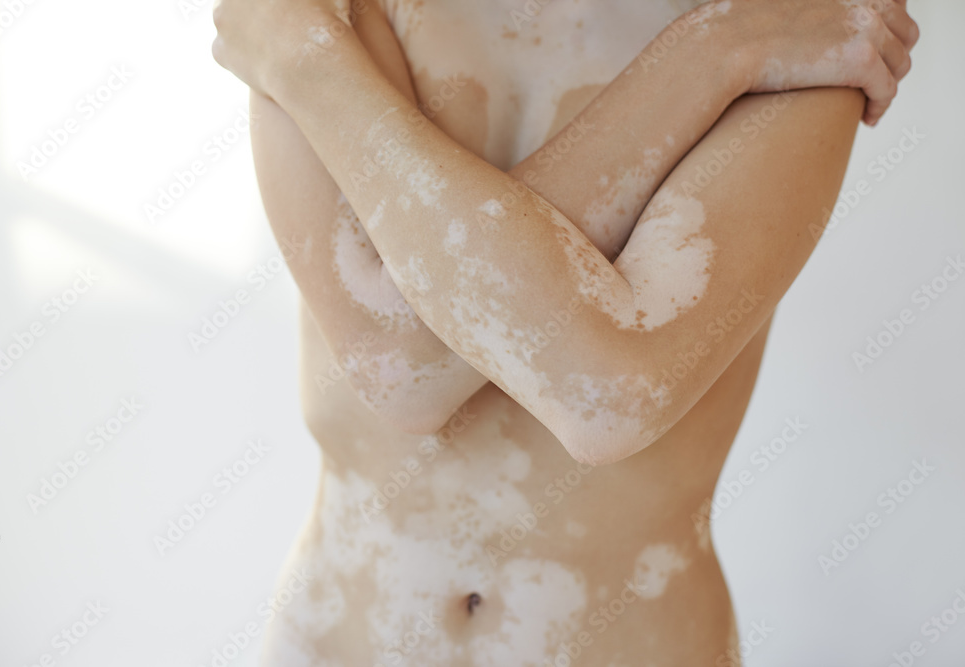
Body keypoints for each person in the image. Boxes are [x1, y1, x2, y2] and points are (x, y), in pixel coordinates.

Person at [212, 0, 919, 663]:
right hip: (345, 638)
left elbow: (609, 394)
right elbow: (400, 365)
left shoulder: (799, 20)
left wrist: (306, 65)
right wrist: (713, 61)